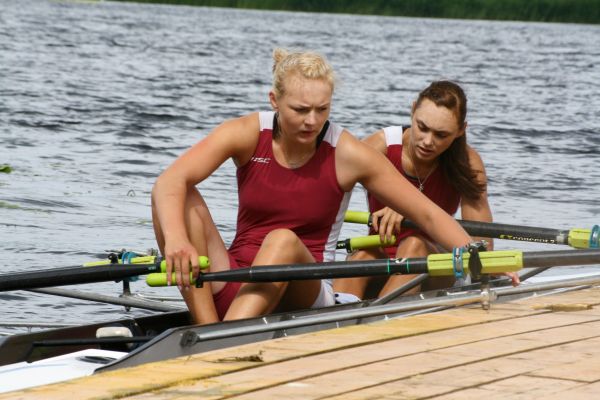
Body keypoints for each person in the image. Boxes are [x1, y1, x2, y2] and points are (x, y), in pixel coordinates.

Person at [151, 50, 474, 325]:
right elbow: (168, 181)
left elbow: (428, 215)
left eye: (322, 109)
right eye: (301, 110)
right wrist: (177, 239)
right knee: (177, 196)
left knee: (281, 239)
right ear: (275, 101)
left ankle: (217, 339)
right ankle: (205, 327)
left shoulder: (347, 153)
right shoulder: (245, 133)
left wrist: (476, 256)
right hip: (235, 276)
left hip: (306, 293)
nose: (312, 121)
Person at [334, 80, 519, 300]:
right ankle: (330, 314)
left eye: (441, 135)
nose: (428, 141)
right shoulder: (379, 146)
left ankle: (379, 316)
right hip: (382, 255)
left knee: (414, 245)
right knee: (361, 256)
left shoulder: (468, 163)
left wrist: (491, 266)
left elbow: (482, 243)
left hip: (437, 267)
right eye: (422, 127)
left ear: (461, 130)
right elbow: (327, 193)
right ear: (413, 110)